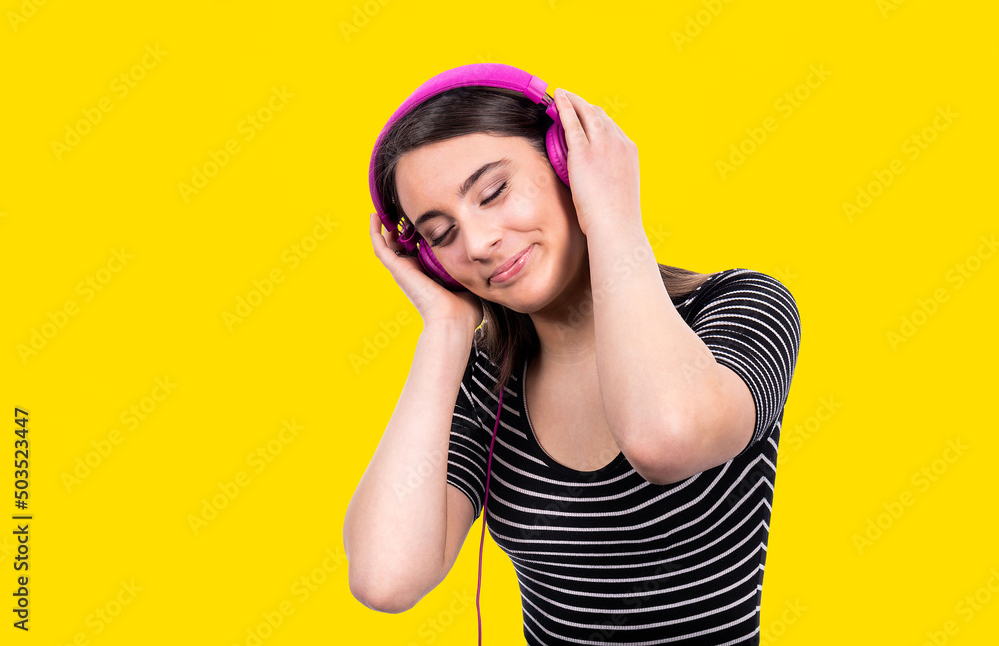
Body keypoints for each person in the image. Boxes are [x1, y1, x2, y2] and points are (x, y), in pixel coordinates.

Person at [344, 65, 802, 645]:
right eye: (441, 235)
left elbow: (666, 439)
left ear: (566, 162)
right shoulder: (482, 382)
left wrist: (612, 214)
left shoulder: (738, 306)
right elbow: (386, 578)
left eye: (493, 192)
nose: (478, 243)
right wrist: (443, 329)